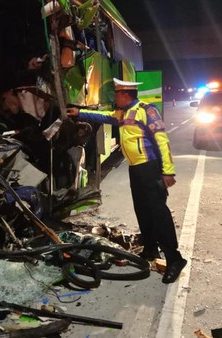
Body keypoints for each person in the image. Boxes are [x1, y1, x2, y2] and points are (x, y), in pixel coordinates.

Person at [66, 78, 187, 284]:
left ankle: (175, 259)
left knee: (158, 213)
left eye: (116, 94)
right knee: (142, 209)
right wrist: (80, 113)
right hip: (135, 169)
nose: (115, 98)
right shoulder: (122, 113)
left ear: (125, 95)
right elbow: (104, 116)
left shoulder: (146, 111)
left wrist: (168, 171)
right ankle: (150, 250)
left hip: (150, 168)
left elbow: (162, 140)